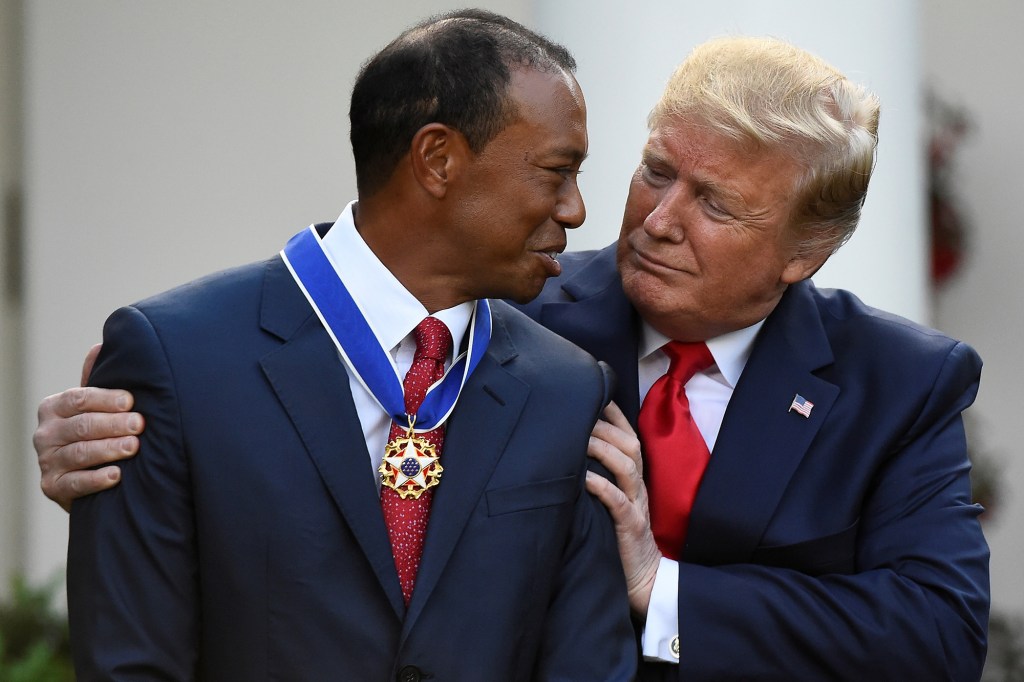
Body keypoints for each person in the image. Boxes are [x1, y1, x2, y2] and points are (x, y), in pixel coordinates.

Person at [36, 33, 990, 682]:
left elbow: (940, 634)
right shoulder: (513, 311)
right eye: (656, 171)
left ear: (803, 253)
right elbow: (287, 371)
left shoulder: (900, 383)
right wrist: (131, 433)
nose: (654, 220)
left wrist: (665, 592)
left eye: (715, 204)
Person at [47, 9, 637, 680]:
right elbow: (131, 661)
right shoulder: (177, 360)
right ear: (437, 159)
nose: (576, 211)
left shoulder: (565, 388)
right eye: (556, 171)